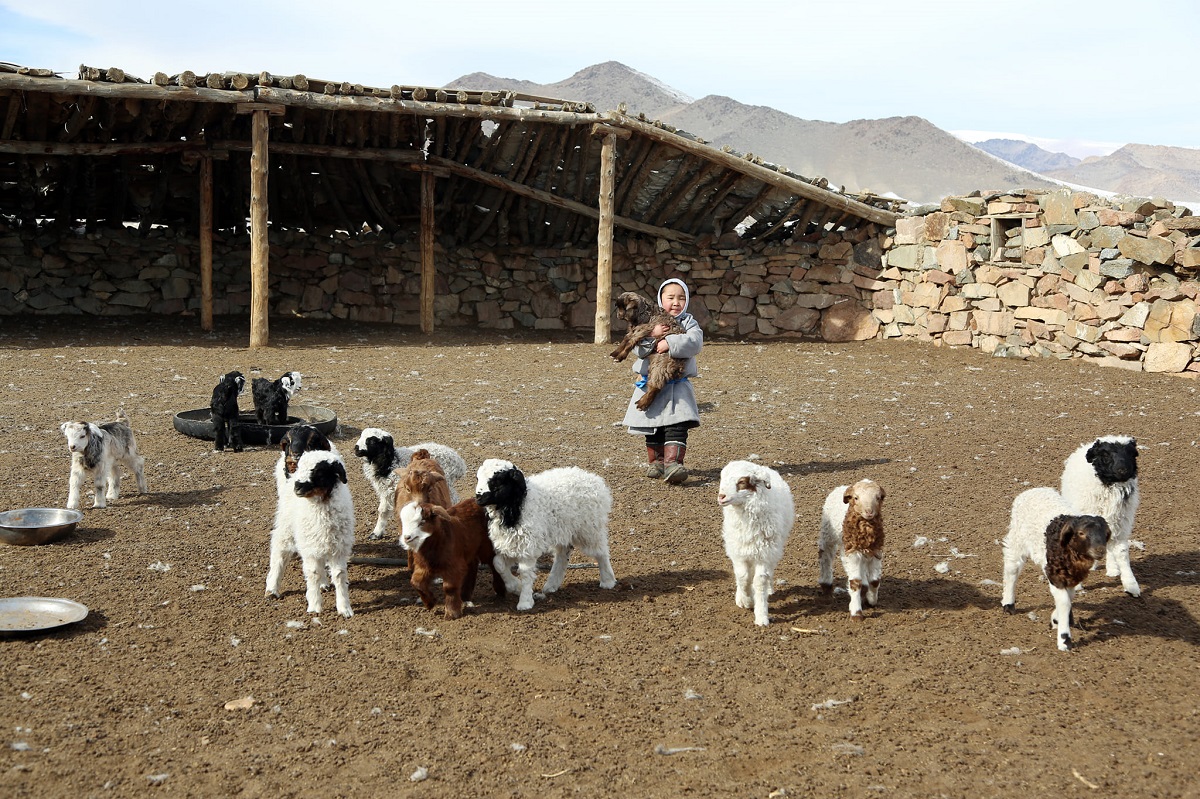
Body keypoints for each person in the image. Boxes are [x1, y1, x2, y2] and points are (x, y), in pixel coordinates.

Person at [621, 277, 703, 485]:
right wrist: (653, 334)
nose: (676, 302)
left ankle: (673, 464)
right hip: (651, 383)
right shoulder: (648, 321)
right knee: (653, 425)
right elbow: (638, 350)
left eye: (681, 298)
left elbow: (695, 343)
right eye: (671, 298)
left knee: (677, 424)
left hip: (677, 385)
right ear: (660, 300)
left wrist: (670, 342)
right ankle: (656, 463)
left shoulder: (688, 323)